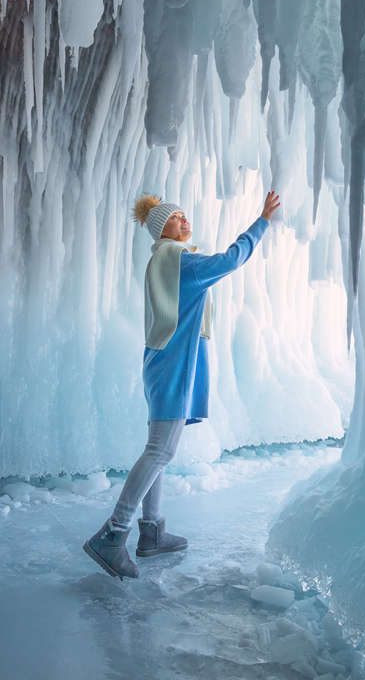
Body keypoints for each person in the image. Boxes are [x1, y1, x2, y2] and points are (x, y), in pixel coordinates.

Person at [83, 190, 281, 579]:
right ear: (162, 229)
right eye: (175, 218)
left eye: (185, 215)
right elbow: (230, 259)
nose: (184, 220)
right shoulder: (181, 262)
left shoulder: (163, 261)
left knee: (159, 448)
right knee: (160, 450)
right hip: (172, 364)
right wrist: (262, 223)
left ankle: (152, 532)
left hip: (162, 361)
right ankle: (113, 533)